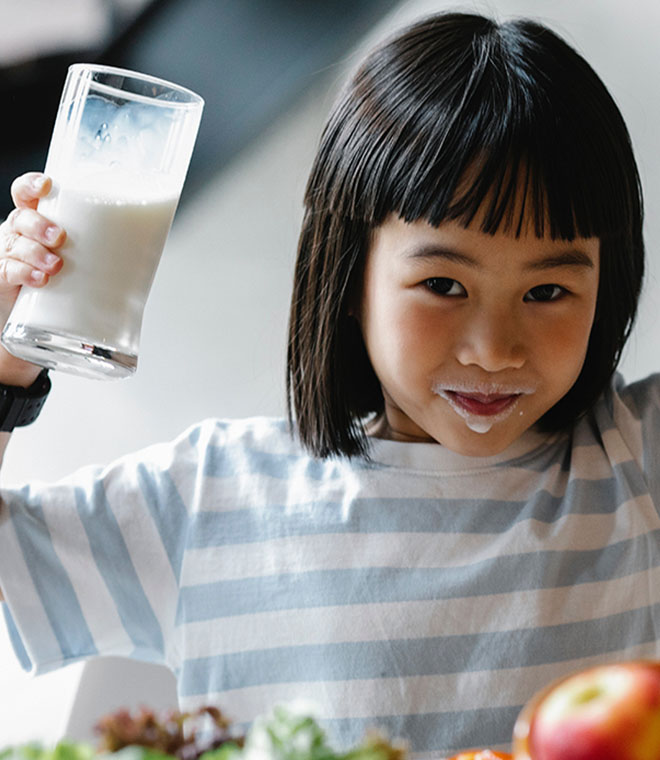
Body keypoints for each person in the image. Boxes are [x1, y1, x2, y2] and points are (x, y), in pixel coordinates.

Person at [0, 10, 656, 756]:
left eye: (547, 294)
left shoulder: (636, 459)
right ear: (350, 277)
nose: (494, 350)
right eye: (443, 284)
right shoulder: (212, 495)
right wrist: (8, 357)